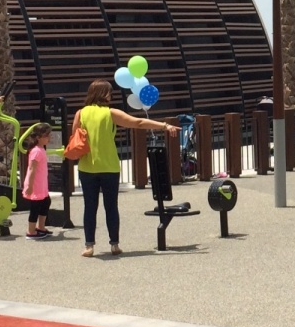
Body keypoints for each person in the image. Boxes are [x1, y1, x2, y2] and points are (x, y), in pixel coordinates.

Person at [70, 80, 180, 257]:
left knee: (89, 207)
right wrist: (164, 126)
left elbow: (75, 137)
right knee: (111, 206)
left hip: (87, 166)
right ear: (103, 94)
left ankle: (89, 246)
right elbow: (138, 123)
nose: (110, 96)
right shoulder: (110, 113)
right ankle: (114, 244)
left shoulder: (80, 113)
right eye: (109, 92)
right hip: (109, 166)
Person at [22, 123, 54, 239]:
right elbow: (32, 169)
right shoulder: (36, 151)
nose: (49, 138)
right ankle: (31, 231)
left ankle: (41, 227)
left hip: (41, 184)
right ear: (38, 137)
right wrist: (30, 186)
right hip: (35, 184)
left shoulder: (41, 149)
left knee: (46, 202)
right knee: (35, 207)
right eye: (46, 136)